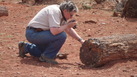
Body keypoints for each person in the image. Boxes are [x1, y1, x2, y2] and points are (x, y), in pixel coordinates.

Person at [18, 1, 85, 64]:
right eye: (71, 15)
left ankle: (25, 47)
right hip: (33, 33)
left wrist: (81, 40)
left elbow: (68, 30)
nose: (71, 17)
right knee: (61, 35)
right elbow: (54, 31)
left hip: (38, 33)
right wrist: (67, 25)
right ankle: (47, 57)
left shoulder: (61, 13)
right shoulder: (55, 11)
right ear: (65, 11)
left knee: (43, 52)